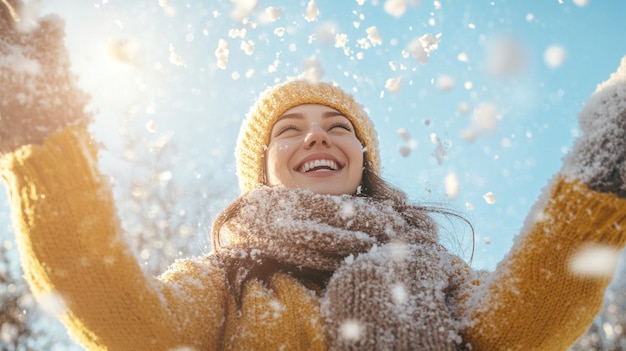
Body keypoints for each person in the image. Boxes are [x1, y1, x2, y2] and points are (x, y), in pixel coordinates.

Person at [2, 1, 626, 350]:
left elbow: (525, 324)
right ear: (263, 172)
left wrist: (604, 169)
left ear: (362, 160)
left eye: (338, 125)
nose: (317, 135)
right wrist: (40, 135)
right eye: (288, 129)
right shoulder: (226, 281)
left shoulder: (435, 271)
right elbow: (121, 318)